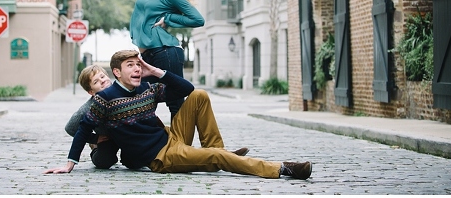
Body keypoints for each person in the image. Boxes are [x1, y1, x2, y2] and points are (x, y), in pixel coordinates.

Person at [44, 50, 311, 179]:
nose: (137, 70)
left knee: (200, 96)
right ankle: (283, 168)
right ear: (117, 72)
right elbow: (79, 129)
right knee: (216, 158)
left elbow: (187, 88)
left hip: (172, 138)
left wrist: (156, 71)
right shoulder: (104, 100)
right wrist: (70, 163)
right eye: (131, 66)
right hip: (161, 156)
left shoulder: (147, 86)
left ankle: (217, 152)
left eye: (138, 65)